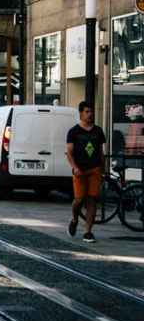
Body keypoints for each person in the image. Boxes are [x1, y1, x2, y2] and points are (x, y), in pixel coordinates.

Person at [67, 101, 106, 243]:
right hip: (80, 170)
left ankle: (87, 231)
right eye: (87, 112)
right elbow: (70, 153)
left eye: (91, 111)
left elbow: (101, 151)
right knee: (79, 199)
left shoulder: (98, 131)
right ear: (81, 113)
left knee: (92, 199)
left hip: (95, 169)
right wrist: (75, 167)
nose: (90, 114)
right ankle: (75, 218)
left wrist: (103, 169)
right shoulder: (74, 131)